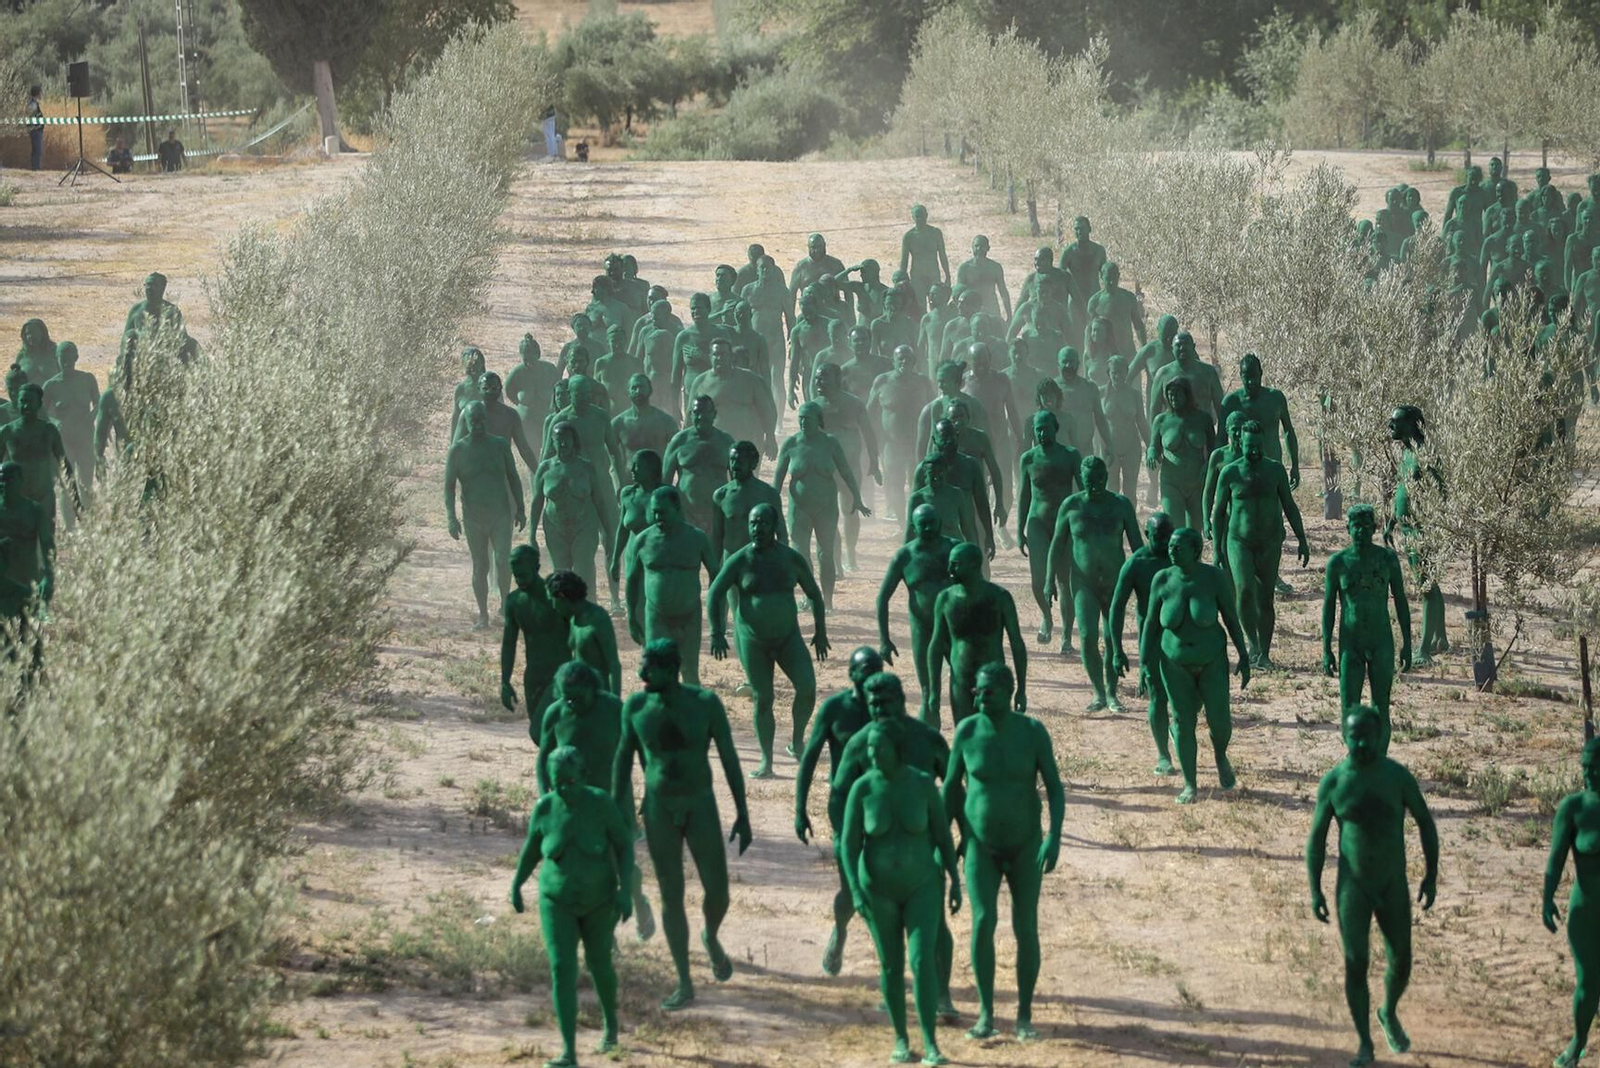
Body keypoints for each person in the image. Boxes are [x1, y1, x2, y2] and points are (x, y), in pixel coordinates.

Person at [612, 639, 752, 1011]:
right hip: (659, 809)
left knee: (718, 890)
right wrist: (615, 813)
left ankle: (711, 935)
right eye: (641, 667)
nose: (642, 675)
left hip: (700, 805)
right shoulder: (636, 707)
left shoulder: (704, 704)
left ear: (671, 669)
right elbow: (623, 761)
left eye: (649, 668)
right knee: (671, 894)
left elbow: (729, 758)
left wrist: (743, 811)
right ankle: (684, 982)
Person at [1307, 705, 1439, 1068]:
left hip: (1392, 883)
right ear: (1343, 736)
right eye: (1354, 737)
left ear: (1381, 735)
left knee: (1401, 961)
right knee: (1356, 962)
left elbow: (1425, 823)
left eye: (1368, 736)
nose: (1361, 743)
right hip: (1354, 886)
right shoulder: (1334, 782)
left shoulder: (1397, 777)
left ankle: (1388, 1010)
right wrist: (1315, 888)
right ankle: (1365, 1041)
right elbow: (1316, 840)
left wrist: (1431, 873)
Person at [943, 661, 1065, 1042]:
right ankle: (986, 1014)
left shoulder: (1031, 733)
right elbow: (949, 791)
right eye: (976, 691)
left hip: (1026, 844)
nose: (978, 696)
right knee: (982, 924)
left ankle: (1025, 1015)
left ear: (1007, 692)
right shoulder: (967, 732)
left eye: (987, 691)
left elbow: (1055, 788)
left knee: (1025, 926)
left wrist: (1054, 837)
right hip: (980, 845)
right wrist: (944, 840)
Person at [841, 717, 961, 1067]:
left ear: (896, 749)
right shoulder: (862, 789)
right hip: (877, 891)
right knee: (891, 966)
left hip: (922, 885)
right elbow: (849, 846)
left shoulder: (923, 785)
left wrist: (953, 879)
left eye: (879, 748)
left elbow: (941, 835)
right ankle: (900, 1039)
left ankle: (930, 1042)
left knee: (922, 961)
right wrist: (855, 891)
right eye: (869, 749)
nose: (872, 754)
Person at [511, 745, 632, 1068]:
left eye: (570, 781)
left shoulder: (601, 805)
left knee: (599, 964)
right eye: (557, 782)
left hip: (599, 900)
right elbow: (531, 849)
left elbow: (624, 847)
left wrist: (626, 891)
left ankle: (611, 1025)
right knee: (562, 968)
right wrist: (517, 883)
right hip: (556, 900)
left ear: (583, 777)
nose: (564, 788)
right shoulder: (545, 808)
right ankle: (569, 1051)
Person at [708, 502, 829, 777]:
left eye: (762, 523)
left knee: (808, 688)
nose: (757, 528)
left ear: (774, 526)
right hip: (753, 640)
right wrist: (717, 631)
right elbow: (715, 593)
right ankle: (766, 761)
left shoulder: (791, 559)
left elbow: (814, 594)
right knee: (764, 698)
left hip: (788, 638)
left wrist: (821, 632)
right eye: (752, 523)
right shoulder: (740, 560)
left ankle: (797, 741)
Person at [1139, 527, 1250, 804]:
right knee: (1182, 720)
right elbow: (1151, 624)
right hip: (1174, 662)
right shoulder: (1162, 580)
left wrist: (1243, 654)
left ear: (1196, 551)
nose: (1172, 550)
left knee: (1220, 721)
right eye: (1171, 546)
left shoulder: (1214, 578)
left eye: (1179, 547)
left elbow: (1231, 618)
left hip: (1211, 659)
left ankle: (1220, 755)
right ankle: (1190, 784)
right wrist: (1143, 663)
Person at [794, 646, 883, 975]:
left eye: (877, 670)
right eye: (866, 671)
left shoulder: (886, 707)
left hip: (881, 806)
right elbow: (810, 759)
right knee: (851, 886)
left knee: (879, 881)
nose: (872, 677)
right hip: (843, 806)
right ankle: (841, 932)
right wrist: (800, 808)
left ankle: (888, 960)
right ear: (852, 674)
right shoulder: (835, 709)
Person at [1045, 455, 1142, 712]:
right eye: (1088, 481)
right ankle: (1098, 692)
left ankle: (1112, 693)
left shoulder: (1121, 505)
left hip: (1115, 583)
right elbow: (1057, 544)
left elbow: (1137, 545)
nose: (1094, 486)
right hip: (1083, 582)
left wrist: (1144, 578)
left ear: (1106, 478)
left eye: (1098, 480)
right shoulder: (1071, 506)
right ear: (1082, 480)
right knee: (1088, 636)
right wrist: (1049, 581)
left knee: (1112, 639)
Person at [1211, 420, 1310, 669]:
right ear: (1239, 443)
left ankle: (1264, 654)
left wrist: (1302, 538)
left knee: (1265, 599)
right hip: (1238, 541)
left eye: (1257, 446)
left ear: (1263, 443)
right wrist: (1216, 549)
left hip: (1269, 542)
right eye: (1248, 446)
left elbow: (1289, 505)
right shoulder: (1230, 472)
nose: (1253, 451)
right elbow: (1219, 512)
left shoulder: (1275, 470)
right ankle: (1252, 643)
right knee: (1244, 592)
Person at [1323, 504, 1412, 744]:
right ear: (1347, 529)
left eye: (1365, 526)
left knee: (1380, 706)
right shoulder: (1338, 563)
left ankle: (1379, 761)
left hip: (1381, 641)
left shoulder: (1387, 559)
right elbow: (1329, 607)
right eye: (1356, 526)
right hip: (1350, 644)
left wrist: (1407, 642)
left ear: (1374, 528)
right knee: (1349, 707)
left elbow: (1401, 601)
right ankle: (1356, 759)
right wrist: (1326, 649)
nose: (1360, 531)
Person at [772, 400, 869, 610]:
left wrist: (857, 498)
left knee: (825, 554)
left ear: (819, 420)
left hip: (826, 507)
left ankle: (827, 601)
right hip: (799, 508)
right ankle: (809, 597)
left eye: (807, 419)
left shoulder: (830, 443)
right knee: (800, 553)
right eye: (800, 419)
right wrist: (772, 506)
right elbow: (778, 479)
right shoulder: (791, 444)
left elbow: (846, 471)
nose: (803, 422)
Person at [925, 542, 1027, 730]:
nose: (950, 570)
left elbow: (1017, 644)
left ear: (974, 565)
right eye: (950, 564)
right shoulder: (945, 599)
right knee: (965, 738)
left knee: (994, 738)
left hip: (993, 682)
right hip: (960, 681)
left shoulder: (999, 597)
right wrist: (934, 691)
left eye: (956, 564)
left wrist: (1021, 689)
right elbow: (936, 645)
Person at [624, 486, 717, 685]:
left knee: (689, 673)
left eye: (663, 512)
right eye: (654, 511)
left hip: (689, 616)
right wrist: (631, 616)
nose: (658, 516)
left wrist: (716, 618)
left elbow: (716, 576)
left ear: (677, 508)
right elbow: (632, 580)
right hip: (656, 616)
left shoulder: (697, 538)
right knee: (656, 675)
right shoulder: (643, 541)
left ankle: (690, 714)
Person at [1544, 737, 1600, 1068]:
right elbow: (1555, 859)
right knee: (1588, 983)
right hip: (1587, 909)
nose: (1588, 774)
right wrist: (1547, 896)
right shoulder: (1574, 808)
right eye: (1584, 767)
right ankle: (1578, 1042)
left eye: (1595, 768)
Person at [1108, 512, 1177, 774]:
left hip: (1181, 635)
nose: (1164, 542)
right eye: (1158, 537)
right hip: (1151, 635)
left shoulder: (1179, 556)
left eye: (1168, 536)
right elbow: (1116, 608)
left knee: (1186, 698)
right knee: (1157, 695)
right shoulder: (1136, 564)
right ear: (1147, 535)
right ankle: (1163, 755)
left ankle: (1176, 727)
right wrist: (1117, 650)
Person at [878, 502, 960, 697]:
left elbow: (976, 587)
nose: (929, 528)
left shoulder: (956, 550)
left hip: (955, 627)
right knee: (928, 691)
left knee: (964, 686)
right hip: (922, 628)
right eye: (923, 524)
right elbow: (882, 598)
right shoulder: (904, 557)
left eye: (932, 523)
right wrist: (884, 640)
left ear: (940, 523)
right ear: (913, 528)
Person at [1016, 409, 1081, 646]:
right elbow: (1023, 496)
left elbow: (1083, 493)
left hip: (1063, 525)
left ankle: (1066, 636)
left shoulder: (1071, 456)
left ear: (1056, 428)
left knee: (1065, 581)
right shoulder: (1028, 459)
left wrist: (1083, 526)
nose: (1042, 433)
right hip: (1038, 524)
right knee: (1038, 580)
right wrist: (1019, 530)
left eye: (1046, 428)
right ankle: (1046, 617)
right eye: (1038, 429)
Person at [866, 344, 934, 521]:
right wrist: (871, 439)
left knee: (917, 482)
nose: (904, 362)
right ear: (893, 361)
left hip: (917, 443)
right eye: (900, 358)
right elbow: (869, 411)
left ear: (914, 361)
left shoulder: (923, 382)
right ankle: (902, 522)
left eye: (908, 359)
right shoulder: (883, 381)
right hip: (891, 443)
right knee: (893, 483)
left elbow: (936, 409)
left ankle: (914, 520)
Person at [41, 342, 97, 528]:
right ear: (57, 359)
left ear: (76, 358)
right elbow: (41, 411)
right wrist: (55, 421)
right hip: (64, 440)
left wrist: (91, 416)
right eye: (62, 357)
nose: (66, 361)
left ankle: (87, 523)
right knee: (66, 485)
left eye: (70, 357)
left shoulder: (87, 379)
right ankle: (70, 527)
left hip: (85, 437)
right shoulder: (51, 385)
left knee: (86, 483)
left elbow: (99, 404)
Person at [663, 395, 736, 535]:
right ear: (690, 414)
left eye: (705, 412)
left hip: (717, 514)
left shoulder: (726, 442)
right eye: (696, 412)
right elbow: (665, 481)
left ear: (714, 414)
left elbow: (736, 483)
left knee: (716, 556)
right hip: (686, 515)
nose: (701, 417)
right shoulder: (679, 441)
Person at [547, 570, 622, 694]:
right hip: (579, 695)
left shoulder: (598, 618)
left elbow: (614, 665)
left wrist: (615, 703)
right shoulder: (573, 619)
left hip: (598, 695)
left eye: (553, 600)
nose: (553, 606)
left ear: (561, 596)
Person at [612, 372, 679, 477]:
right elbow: (612, 456)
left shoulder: (665, 421)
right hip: (631, 481)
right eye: (634, 388)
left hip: (658, 480)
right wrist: (619, 482)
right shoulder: (619, 423)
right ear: (628, 392)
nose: (638, 391)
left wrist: (668, 480)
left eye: (642, 387)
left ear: (650, 390)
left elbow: (678, 452)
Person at [899, 204, 950, 305]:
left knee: (936, 304)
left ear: (926, 215)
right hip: (917, 276)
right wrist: (902, 281)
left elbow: (942, 255)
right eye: (917, 216)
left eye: (922, 215)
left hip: (933, 274)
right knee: (919, 306)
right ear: (913, 217)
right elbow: (904, 261)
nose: (920, 219)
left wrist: (948, 275)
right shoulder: (909, 237)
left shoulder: (935, 233)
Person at [26, 86, 43, 172]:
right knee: (37, 149)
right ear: (37, 93)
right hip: (35, 130)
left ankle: (36, 167)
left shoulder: (34, 103)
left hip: (36, 129)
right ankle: (36, 168)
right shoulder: (32, 104)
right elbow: (32, 116)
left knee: (37, 149)